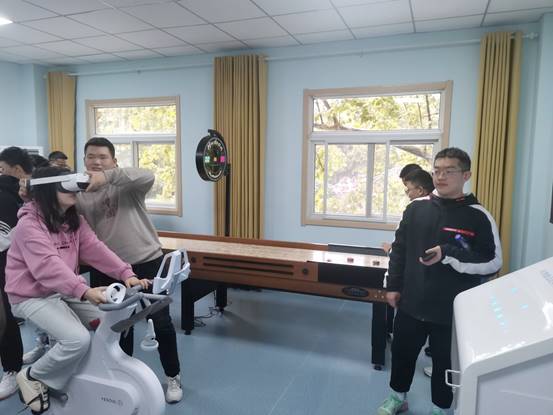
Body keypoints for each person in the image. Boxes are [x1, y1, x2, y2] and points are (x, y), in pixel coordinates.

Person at [4, 166, 148, 413]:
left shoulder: (74, 221)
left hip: (61, 290)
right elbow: (47, 266)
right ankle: (33, 375)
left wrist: (126, 273)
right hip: (29, 296)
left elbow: (96, 249)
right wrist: (83, 290)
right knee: (76, 340)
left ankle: (84, 375)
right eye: (66, 184)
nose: (75, 190)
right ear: (48, 189)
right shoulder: (29, 225)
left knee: (112, 321)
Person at [377, 147, 502, 415]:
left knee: (445, 363)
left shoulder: (478, 215)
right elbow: (398, 251)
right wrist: (393, 286)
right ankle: (398, 397)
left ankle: (440, 408)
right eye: (437, 170)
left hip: (452, 309)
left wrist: (448, 253)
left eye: (449, 171)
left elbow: (492, 262)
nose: (441, 176)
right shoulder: (415, 208)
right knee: (402, 353)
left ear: (466, 175)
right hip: (411, 301)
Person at [76, 137, 183, 403]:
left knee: (161, 322)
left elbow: (147, 175)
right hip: (108, 268)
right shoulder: (80, 193)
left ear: (114, 161)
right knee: (117, 327)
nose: (96, 161)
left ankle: (173, 376)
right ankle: (125, 379)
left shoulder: (127, 185)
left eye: (103, 157)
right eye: (91, 156)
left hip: (147, 261)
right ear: (84, 160)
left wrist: (107, 177)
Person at [0, 147, 32, 401]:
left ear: (17, 169)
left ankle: (13, 370)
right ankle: (13, 367)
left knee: (8, 319)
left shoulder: (12, 193)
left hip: (20, 266)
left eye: (2, 168)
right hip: (15, 265)